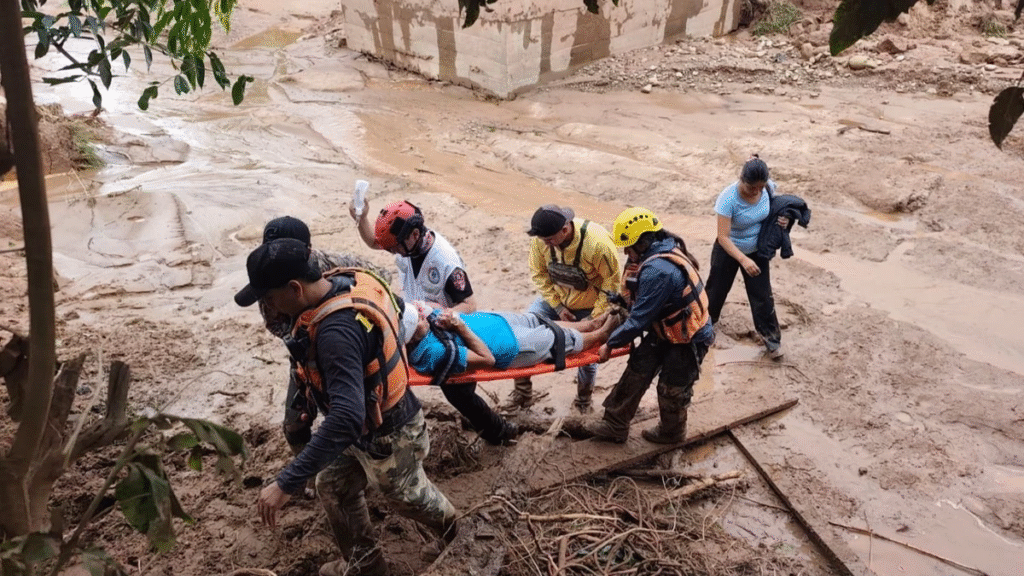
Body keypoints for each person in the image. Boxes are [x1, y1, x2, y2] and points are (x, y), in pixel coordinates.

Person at [237, 238, 456, 576]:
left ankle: (459, 535)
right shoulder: (348, 281)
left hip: (392, 435)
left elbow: (346, 418)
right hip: (364, 424)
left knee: (409, 497)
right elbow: (401, 310)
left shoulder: (336, 333)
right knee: (333, 487)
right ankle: (366, 565)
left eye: (269, 298)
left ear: (295, 288)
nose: (269, 307)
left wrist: (287, 482)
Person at [254, 216, 392, 458]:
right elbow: (276, 325)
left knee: (362, 416)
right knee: (295, 425)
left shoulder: (331, 264)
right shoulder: (269, 280)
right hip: (305, 353)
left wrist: (357, 318)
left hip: (352, 349)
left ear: (308, 251)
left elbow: (381, 278)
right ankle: (310, 468)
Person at [402, 302, 620, 445]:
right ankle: (602, 334)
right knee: (559, 340)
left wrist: (433, 312)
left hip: (499, 322)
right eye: (418, 320)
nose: (422, 317)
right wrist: (459, 326)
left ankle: (591, 324)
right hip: (510, 347)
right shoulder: (433, 353)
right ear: (411, 337)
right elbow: (487, 360)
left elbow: (428, 309)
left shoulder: (420, 327)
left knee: (540, 321)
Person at [587, 207, 714, 444]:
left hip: (689, 337)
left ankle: (671, 433)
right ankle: (614, 424)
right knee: (636, 371)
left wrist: (610, 344)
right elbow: (638, 304)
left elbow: (638, 321)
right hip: (663, 329)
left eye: (628, 247)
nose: (626, 253)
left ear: (642, 242)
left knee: (672, 390)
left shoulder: (658, 271)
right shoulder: (657, 250)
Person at [507, 204, 621, 413]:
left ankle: (583, 400)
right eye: (542, 239)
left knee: (588, 351)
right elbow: (538, 274)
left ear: (565, 230)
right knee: (523, 333)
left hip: (591, 306)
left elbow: (611, 284)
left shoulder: (598, 244)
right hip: (556, 300)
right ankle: (522, 393)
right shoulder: (541, 240)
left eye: (549, 240)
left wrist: (593, 319)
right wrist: (558, 307)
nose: (544, 244)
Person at [705, 155, 790, 359]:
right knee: (716, 290)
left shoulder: (767, 188)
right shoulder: (728, 199)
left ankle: (771, 340)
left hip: (757, 250)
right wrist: (743, 259)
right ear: (741, 179)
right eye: (752, 187)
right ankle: (704, 327)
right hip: (728, 249)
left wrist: (783, 220)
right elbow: (723, 237)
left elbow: (776, 208)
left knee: (762, 295)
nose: (756, 191)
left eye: (760, 187)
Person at [350, 199, 477, 313]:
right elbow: (374, 243)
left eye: (395, 247)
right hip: (411, 316)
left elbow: (470, 305)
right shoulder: (405, 242)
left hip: (436, 326)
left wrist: (440, 313)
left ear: (415, 234)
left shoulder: (446, 262)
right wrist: (361, 218)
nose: (393, 251)